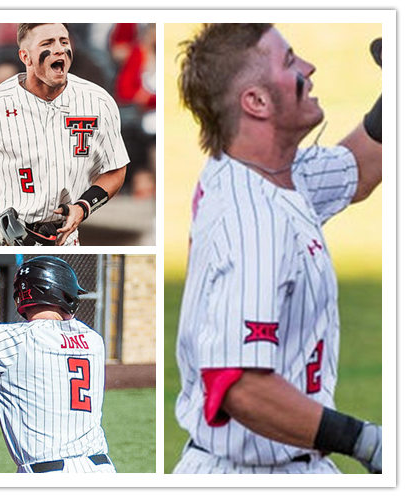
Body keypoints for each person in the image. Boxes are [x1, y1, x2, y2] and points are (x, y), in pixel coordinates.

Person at [173, 24, 382, 474]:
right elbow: (241, 385)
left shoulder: (267, 173)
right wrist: (368, 442)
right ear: (257, 102)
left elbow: (360, 168)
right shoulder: (252, 223)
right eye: (290, 62)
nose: (309, 67)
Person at [0, 23, 129, 246]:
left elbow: (116, 169)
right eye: (47, 43)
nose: (59, 49)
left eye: (63, 42)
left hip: (62, 238)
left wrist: (83, 206)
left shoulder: (98, 102)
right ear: (25, 57)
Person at [0, 256, 115, 473]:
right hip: (102, 471)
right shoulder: (93, 339)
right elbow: (21, 334)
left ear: (24, 295)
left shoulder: (16, 342)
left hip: (49, 476)